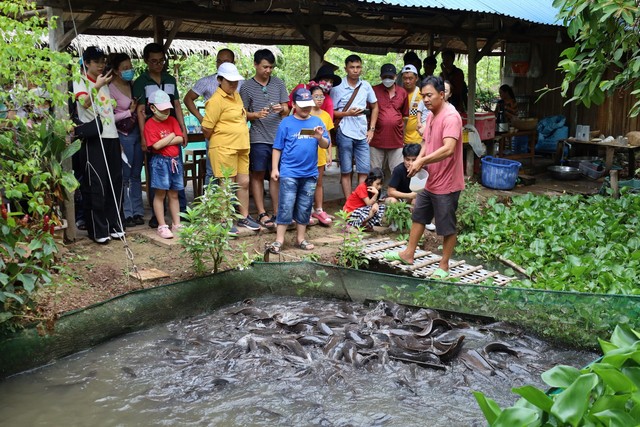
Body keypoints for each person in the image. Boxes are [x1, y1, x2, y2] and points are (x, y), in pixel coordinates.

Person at [385, 76, 464, 278]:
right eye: (423, 96)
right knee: (419, 216)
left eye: (429, 95)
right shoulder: (430, 115)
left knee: (446, 225)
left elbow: (448, 149)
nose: (426, 100)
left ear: (442, 94)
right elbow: (426, 142)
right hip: (430, 179)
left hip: (447, 183)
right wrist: (417, 163)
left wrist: (422, 161)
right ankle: (408, 253)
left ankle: (444, 265)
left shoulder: (451, 117)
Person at [267, 88, 329, 254]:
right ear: (293, 104)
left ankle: (300, 238)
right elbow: (277, 147)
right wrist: (275, 168)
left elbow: (326, 144)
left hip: (310, 174)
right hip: (289, 173)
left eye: (308, 105)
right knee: (286, 205)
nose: (306, 108)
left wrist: (319, 138)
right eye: (302, 105)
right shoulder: (286, 123)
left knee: (305, 206)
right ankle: (279, 240)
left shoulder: (318, 122)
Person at [133, 42, 188, 228]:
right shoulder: (141, 81)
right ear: (146, 61)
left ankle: (180, 214)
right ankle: (159, 217)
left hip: (172, 127)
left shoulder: (170, 79)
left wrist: (183, 128)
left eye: (161, 61)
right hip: (153, 129)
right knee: (156, 176)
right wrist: (143, 136)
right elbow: (140, 110)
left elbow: (177, 105)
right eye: (154, 61)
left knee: (176, 172)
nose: (158, 64)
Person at [72, 46, 124, 244]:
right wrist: (96, 85)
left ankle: (115, 225)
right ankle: (98, 229)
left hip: (112, 137)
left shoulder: (105, 83)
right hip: (94, 138)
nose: (101, 65)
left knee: (115, 181)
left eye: (103, 61)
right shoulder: (81, 81)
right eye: (97, 62)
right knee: (97, 183)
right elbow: (84, 103)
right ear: (86, 63)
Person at [201, 62, 255, 233]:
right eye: (229, 81)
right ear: (219, 80)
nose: (233, 84)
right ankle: (225, 219)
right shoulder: (215, 100)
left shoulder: (236, 96)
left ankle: (243, 217)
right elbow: (206, 128)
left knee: (244, 183)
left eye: (235, 81)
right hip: (224, 148)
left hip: (241, 146)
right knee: (226, 184)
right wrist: (222, 139)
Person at [239, 49, 289, 230]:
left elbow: (287, 108)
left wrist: (281, 109)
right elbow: (242, 114)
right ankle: (261, 212)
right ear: (255, 65)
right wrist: (256, 114)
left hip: (277, 136)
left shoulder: (278, 83)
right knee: (258, 175)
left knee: (276, 176)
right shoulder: (246, 86)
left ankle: (277, 212)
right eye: (265, 67)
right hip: (258, 137)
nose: (268, 70)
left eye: (271, 67)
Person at [183, 48, 240, 186]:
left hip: (234, 135)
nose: (221, 64)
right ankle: (209, 204)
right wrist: (201, 118)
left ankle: (228, 204)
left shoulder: (240, 82)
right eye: (219, 61)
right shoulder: (207, 81)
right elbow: (188, 99)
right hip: (214, 132)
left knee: (233, 172)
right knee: (212, 170)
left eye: (226, 61)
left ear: (234, 62)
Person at [330, 54, 379, 199]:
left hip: (362, 132)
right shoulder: (338, 88)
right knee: (346, 170)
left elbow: (375, 107)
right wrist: (347, 113)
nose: (355, 70)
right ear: (346, 69)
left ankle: (359, 200)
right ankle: (348, 202)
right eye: (352, 67)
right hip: (344, 131)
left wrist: (372, 129)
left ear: (361, 68)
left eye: (358, 67)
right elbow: (331, 112)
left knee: (363, 170)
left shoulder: (366, 86)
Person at [108, 52, 145, 229]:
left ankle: (138, 211)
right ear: (115, 70)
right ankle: (127, 212)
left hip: (138, 133)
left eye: (130, 67)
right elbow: (108, 116)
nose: (129, 70)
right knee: (125, 176)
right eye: (125, 68)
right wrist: (129, 112)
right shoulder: (109, 88)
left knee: (137, 174)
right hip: (122, 134)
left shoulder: (133, 85)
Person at [144, 90, 184, 239]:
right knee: (160, 193)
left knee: (174, 193)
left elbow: (180, 139)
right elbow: (155, 146)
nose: (166, 112)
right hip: (160, 162)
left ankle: (176, 223)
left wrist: (169, 138)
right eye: (162, 109)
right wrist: (173, 135)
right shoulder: (150, 124)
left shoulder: (172, 120)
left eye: (167, 108)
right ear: (153, 108)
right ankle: (162, 225)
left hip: (175, 160)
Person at [386, 144, 437, 231]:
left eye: (414, 160)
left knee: (422, 199)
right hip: (401, 200)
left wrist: (416, 197)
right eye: (407, 159)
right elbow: (390, 192)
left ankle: (424, 221)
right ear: (403, 158)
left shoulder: (425, 170)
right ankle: (396, 221)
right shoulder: (398, 170)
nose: (410, 163)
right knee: (391, 200)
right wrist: (409, 196)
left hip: (420, 199)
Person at [370, 63, 408, 174]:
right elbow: (369, 113)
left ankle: (392, 192)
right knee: (374, 172)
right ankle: (375, 192)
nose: (387, 79)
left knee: (397, 172)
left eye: (390, 77)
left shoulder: (402, 92)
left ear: (396, 77)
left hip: (396, 141)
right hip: (376, 140)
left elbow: (405, 116)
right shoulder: (374, 91)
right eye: (385, 77)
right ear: (381, 77)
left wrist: (403, 137)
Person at [309, 84, 334, 225]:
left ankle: (319, 209)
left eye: (321, 97)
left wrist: (329, 154)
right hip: (308, 154)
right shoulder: (306, 113)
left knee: (319, 182)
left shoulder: (325, 115)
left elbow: (328, 135)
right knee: (307, 183)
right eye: (316, 96)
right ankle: (307, 209)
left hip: (321, 153)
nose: (319, 99)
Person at [401, 64, 423, 145]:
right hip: (401, 139)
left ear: (416, 78)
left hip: (418, 139)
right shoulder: (398, 94)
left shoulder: (422, 95)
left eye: (410, 78)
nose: (407, 81)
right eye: (405, 78)